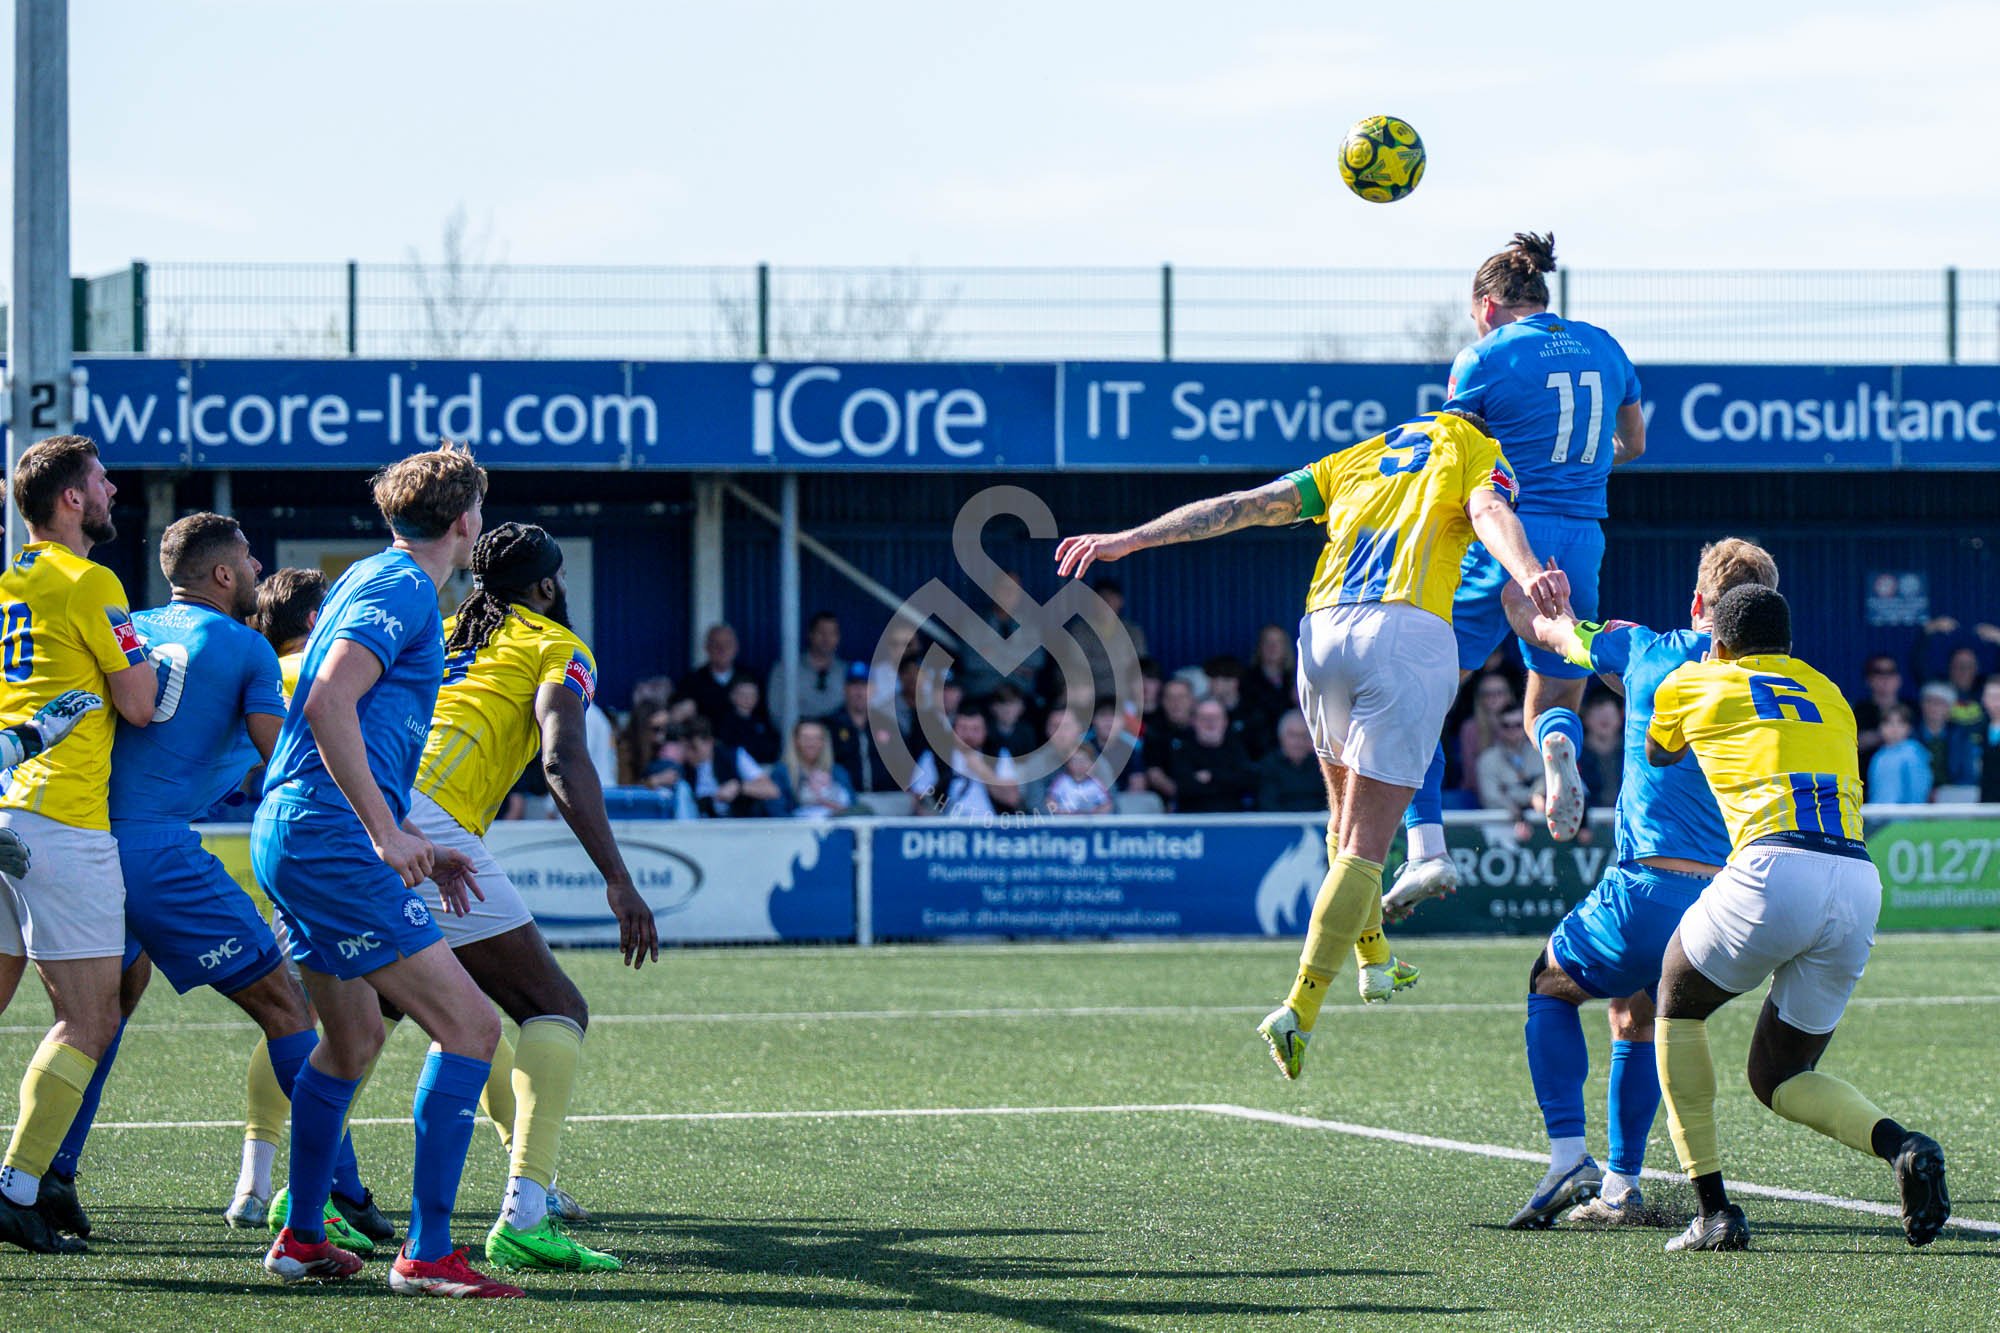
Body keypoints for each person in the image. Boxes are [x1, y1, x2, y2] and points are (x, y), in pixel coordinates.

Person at [1054, 405, 1566, 1063]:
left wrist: (1129, 539)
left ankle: (1375, 958)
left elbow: (1243, 505)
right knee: (1366, 843)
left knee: (1342, 814)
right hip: (1406, 633)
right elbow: (1490, 511)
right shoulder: (1476, 446)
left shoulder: (1356, 457)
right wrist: (1529, 571)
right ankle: (1299, 1009)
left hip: (1321, 632)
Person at [251, 445, 523, 1297]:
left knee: (355, 1039)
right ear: (466, 520)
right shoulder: (403, 586)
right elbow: (328, 700)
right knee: (472, 1028)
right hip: (328, 835)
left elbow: (345, 724)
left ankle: (301, 1236)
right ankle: (428, 1252)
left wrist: (408, 833)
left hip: (300, 829)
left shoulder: (375, 577)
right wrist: (381, 831)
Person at [42, 516, 335, 1245]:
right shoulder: (246, 646)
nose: (258, 565)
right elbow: (279, 759)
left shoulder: (133, 624)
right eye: (249, 557)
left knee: (99, 1014)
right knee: (286, 1006)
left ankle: (47, 1172)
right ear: (224, 575)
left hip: (83, 838)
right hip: (157, 849)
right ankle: (340, 1194)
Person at [1646, 584, 1947, 1253]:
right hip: (1856, 877)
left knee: (1675, 996)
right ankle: (1902, 1146)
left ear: (1719, 642)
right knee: (1779, 1076)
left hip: (1772, 867)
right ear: (1787, 645)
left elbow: (1659, 752)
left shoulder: (1693, 680)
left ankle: (1713, 1210)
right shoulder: (1830, 692)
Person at [397, 521, 656, 1272]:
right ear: (546, 585)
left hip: (372, 808)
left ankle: (304, 1200)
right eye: (559, 578)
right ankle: (524, 1213)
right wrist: (618, 877)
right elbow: (563, 757)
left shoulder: (446, 630)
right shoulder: (559, 645)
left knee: (379, 1015)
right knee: (555, 1006)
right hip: (433, 822)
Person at [1498, 536, 1777, 1229]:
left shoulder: (1644, 647)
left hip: (1650, 884)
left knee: (1548, 985)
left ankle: (1569, 1154)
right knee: (1635, 1015)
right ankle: (1622, 1186)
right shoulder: (1779, 685)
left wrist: (1520, 586)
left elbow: (1550, 631)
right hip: (1727, 901)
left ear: (1698, 601)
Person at [1392, 233, 1646, 924]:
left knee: (1420, 695)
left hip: (1505, 535)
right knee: (1550, 700)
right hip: (1582, 535)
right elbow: (1634, 443)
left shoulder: (1484, 358)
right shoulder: (1604, 346)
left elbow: (1452, 466)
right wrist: (1580, 466)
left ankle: (1424, 846)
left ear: (1486, 307)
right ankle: (1557, 746)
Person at [0, 434, 164, 1256]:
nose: (111, 490)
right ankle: (17, 1186)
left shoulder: (9, 583)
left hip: (5, 803)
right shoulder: (92, 581)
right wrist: (155, 664)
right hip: (61, 818)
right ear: (71, 498)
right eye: (100, 480)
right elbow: (140, 702)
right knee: (91, 1018)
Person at [908, 702, 1020, 818]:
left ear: (986, 731)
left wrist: (982, 771)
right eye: (963, 728)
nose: (969, 735)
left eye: (975, 729)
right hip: (947, 823)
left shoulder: (998, 754)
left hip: (990, 823)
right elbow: (918, 796)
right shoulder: (935, 755)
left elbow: (1012, 799)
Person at [1167, 699, 1255, 813]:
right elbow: (1184, 788)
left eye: (1215, 718)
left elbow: (1247, 781)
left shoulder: (1236, 748)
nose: (1210, 722)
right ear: (1194, 722)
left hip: (1232, 815)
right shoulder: (1182, 750)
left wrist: (1211, 776)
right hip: (1193, 815)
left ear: (1225, 722)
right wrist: (1225, 780)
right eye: (1204, 718)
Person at [822, 661, 897, 794]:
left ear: (874, 689)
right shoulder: (830, 724)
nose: (859, 691)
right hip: (844, 799)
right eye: (854, 685)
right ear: (845, 689)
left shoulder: (888, 724)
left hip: (885, 798)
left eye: (865, 685)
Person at [1476, 704, 1545, 837]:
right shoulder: (1487, 759)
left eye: (1518, 725)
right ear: (1498, 728)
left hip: (1541, 825)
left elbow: (1547, 782)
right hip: (1500, 826)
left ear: (1525, 726)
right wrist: (1527, 803)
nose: (1512, 730)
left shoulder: (1540, 754)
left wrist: (1538, 794)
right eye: (1506, 725)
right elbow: (1491, 797)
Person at [765, 611, 847, 723]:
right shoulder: (784, 669)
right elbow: (776, 711)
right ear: (810, 634)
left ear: (838, 637)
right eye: (821, 632)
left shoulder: (845, 671)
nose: (826, 638)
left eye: (832, 633)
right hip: (797, 731)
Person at [675, 623, 758, 726]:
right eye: (716, 645)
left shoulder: (750, 678)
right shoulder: (692, 681)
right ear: (707, 648)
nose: (722, 649)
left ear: (736, 648)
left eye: (727, 644)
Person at [775, 719, 856, 819]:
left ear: (824, 742)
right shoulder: (782, 772)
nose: (811, 744)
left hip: (835, 825)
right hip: (796, 826)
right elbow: (777, 811)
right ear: (796, 741)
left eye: (817, 738)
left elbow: (851, 805)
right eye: (805, 738)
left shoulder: (837, 771)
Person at [1454, 671, 1518, 795]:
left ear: (1509, 695)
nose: (1493, 698)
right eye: (1487, 694)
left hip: (1517, 790)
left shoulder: (1519, 723)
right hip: (1478, 792)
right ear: (1479, 698)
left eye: (1499, 693)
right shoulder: (1469, 728)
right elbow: (1470, 771)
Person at [1256, 710, 1328, 812]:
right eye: (1293, 735)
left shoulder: (1321, 767)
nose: (1298, 742)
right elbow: (1267, 804)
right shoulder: (1268, 766)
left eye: (1304, 736)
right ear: (1281, 737)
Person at [1239, 624, 1297, 749]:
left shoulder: (1294, 680)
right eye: (1268, 642)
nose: (1273, 647)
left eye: (1278, 642)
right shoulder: (1246, 680)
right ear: (1260, 647)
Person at [1913, 681, 1978, 789]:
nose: (1934, 707)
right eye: (1929, 701)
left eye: (1940, 703)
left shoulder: (1961, 736)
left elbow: (1967, 775)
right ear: (1922, 705)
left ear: (1950, 708)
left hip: (1952, 793)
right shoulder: (1910, 733)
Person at [1865, 705, 1933, 805]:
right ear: (1880, 727)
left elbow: (1918, 790)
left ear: (1909, 728)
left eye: (1900, 723)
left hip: (1904, 814)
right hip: (1877, 812)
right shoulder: (1878, 756)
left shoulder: (1913, 753)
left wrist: (1912, 812)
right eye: (1888, 722)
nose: (1894, 728)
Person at [1850, 653, 1907, 768]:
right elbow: (1849, 744)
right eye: (1878, 672)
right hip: (1866, 775)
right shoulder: (1858, 711)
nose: (1885, 678)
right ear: (1868, 679)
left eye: (1891, 672)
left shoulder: (1912, 709)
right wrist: (1882, 736)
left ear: (1899, 679)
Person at [717, 676, 782, 766]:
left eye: (752, 695)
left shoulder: (764, 721)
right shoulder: (725, 723)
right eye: (743, 694)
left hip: (766, 766)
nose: (748, 698)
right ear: (732, 696)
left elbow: (774, 746)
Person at [1577, 693, 1625, 810]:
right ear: (1586, 717)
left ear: (1620, 718)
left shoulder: (1632, 755)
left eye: (1610, 715)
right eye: (1598, 713)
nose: (1605, 719)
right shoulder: (1574, 755)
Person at [1045, 743, 1115, 815]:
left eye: (1083, 760)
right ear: (1068, 763)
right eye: (1075, 761)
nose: (1080, 764)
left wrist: (1096, 812)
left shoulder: (1096, 784)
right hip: (1064, 820)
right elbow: (1050, 800)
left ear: (1092, 763)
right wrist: (1059, 811)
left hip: (1090, 820)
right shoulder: (1061, 781)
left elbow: (1107, 804)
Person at [1982, 680, 2000, 804]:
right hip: (1984, 797)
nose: (1997, 703)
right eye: (1992, 697)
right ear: (1984, 699)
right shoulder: (1977, 728)